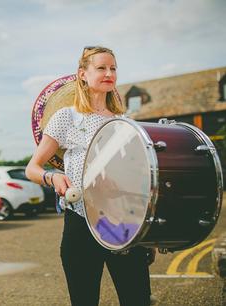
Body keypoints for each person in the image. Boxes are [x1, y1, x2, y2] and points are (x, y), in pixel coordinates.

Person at [26, 46, 154, 306]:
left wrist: (146, 228)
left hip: (124, 222)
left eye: (113, 68)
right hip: (80, 222)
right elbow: (33, 168)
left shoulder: (125, 122)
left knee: (137, 300)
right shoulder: (66, 118)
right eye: (101, 68)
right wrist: (53, 178)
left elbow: (139, 177)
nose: (109, 74)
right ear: (82, 74)